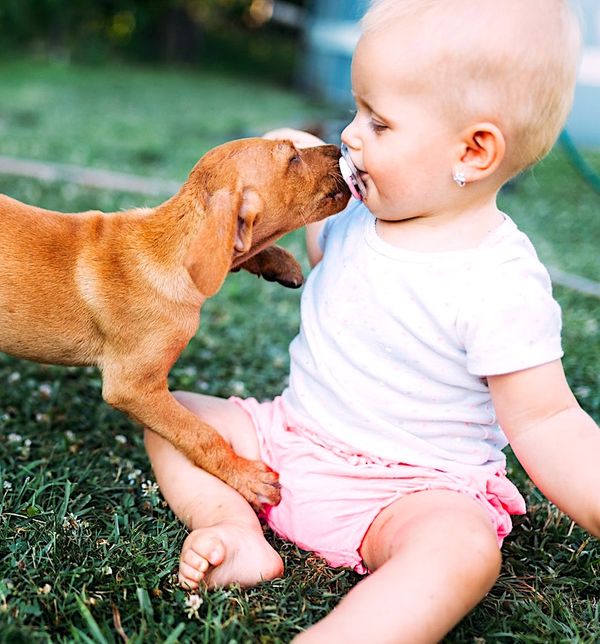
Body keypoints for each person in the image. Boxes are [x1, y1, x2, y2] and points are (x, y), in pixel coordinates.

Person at [144, 0, 600, 640]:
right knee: (171, 416)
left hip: (410, 491)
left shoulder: (499, 281)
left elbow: (550, 422)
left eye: (379, 123)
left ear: (473, 150)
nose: (350, 136)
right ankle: (233, 529)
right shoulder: (357, 216)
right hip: (289, 442)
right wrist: (282, 150)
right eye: (356, 110)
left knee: (462, 551)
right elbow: (297, 158)